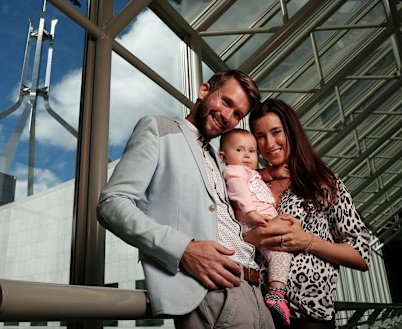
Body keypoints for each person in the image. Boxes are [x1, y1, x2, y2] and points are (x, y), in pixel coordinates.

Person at [97, 70, 275, 328]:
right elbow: (111, 203)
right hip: (212, 294)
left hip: (255, 292)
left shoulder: (219, 157)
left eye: (237, 114)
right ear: (204, 91)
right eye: (226, 102)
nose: (228, 117)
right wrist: (184, 249)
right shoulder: (157, 129)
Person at [243, 98, 371, 329]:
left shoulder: (324, 183)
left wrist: (307, 241)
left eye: (276, 132)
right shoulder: (250, 184)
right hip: (254, 313)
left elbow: (361, 255)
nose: (269, 143)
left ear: (291, 132)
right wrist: (254, 238)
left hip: (309, 317)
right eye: (260, 136)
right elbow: (230, 238)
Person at [219, 128, 292, 326]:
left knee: (280, 253)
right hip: (250, 223)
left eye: (251, 151)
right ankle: (276, 293)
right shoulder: (233, 172)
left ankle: (276, 292)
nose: (247, 155)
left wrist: (272, 172)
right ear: (223, 156)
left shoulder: (250, 173)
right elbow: (239, 192)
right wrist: (251, 212)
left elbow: (260, 176)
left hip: (261, 221)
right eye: (240, 150)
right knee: (280, 252)